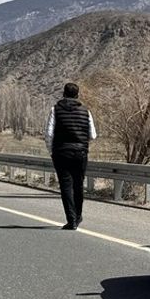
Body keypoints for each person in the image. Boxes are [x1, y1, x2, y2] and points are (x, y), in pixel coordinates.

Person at [45, 82, 97, 230]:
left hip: (61, 152)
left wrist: (52, 151)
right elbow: (93, 135)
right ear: (77, 95)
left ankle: (71, 220)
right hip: (80, 153)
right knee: (78, 185)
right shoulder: (86, 111)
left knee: (66, 186)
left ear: (64, 93)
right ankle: (79, 215)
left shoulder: (55, 110)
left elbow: (49, 134)